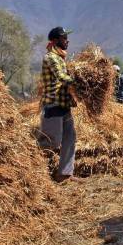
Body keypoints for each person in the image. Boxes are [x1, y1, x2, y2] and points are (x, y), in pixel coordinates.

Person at [37, 26, 82, 183]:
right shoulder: (51, 58)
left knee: (70, 138)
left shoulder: (61, 58)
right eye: (64, 38)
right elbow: (62, 77)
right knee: (51, 141)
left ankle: (64, 174)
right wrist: (80, 81)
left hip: (64, 105)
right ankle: (31, 169)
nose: (67, 41)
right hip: (53, 104)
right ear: (56, 41)